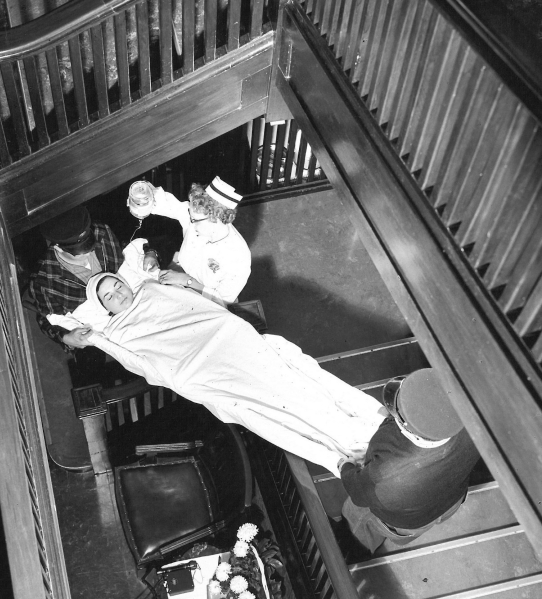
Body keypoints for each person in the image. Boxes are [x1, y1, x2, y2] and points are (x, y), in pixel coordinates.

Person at [67, 257, 385, 476]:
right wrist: (92, 339)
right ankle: (347, 449)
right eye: (108, 296)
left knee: (294, 384)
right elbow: (143, 366)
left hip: (231, 338)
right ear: (104, 308)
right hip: (201, 370)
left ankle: (360, 431)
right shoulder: (117, 331)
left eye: (116, 285)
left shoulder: (153, 288)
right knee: (269, 407)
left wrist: (188, 282)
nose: (117, 294)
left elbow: (210, 307)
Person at [339, 368, 481, 552]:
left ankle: (353, 549)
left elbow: (358, 494)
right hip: (450, 501)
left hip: (404, 520)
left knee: (356, 517)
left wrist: (345, 467)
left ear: (410, 429)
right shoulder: (476, 421)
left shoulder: (386, 477)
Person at [28, 203, 159, 373]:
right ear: (57, 246)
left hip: (136, 306)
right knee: (93, 363)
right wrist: (66, 338)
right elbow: (45, 318)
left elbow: (129, 245)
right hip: (102, 330)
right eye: (78, 254)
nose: (88, 257)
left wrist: (150, 252)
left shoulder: (101, 232)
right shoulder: (46, 279)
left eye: (89, 247)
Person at [139, 176, 251, 306]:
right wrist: (145, 193)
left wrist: (187, 281)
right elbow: (168, 204)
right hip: (181, 276)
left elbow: (222, 302)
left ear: (215, 219)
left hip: (208, 301)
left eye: (194, 219)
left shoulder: (238, 258)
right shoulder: (198, 217)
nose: (191, 222)